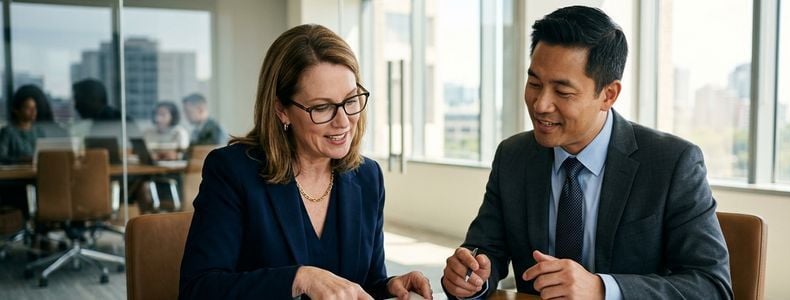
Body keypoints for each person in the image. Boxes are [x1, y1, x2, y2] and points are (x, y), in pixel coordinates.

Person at [441, 6, 731, 300]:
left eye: (563, 92)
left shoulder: (671, 163)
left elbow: (710, 286)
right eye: (534, 84)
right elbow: (485, 250)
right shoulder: (514, 157)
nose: (540, 104)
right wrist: (471, 278)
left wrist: (602, 289)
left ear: (608, 95)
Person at [179, 24, 433, 299]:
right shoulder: (232, 171)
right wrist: (298, 279)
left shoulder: (367, 176)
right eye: (322, 107)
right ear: (281, 110)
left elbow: (365, 282)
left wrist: (389, 286)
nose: (343, 121)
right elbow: (199, 289)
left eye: (350, 100)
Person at [0, 86, 46, 164]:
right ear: (16, 111)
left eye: (34, 108)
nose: (33, 111)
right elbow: (1, 157)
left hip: (37, 171)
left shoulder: (39, 131)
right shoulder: (7, 131)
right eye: (28, 108)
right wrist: (23, 160)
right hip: (16, 173)